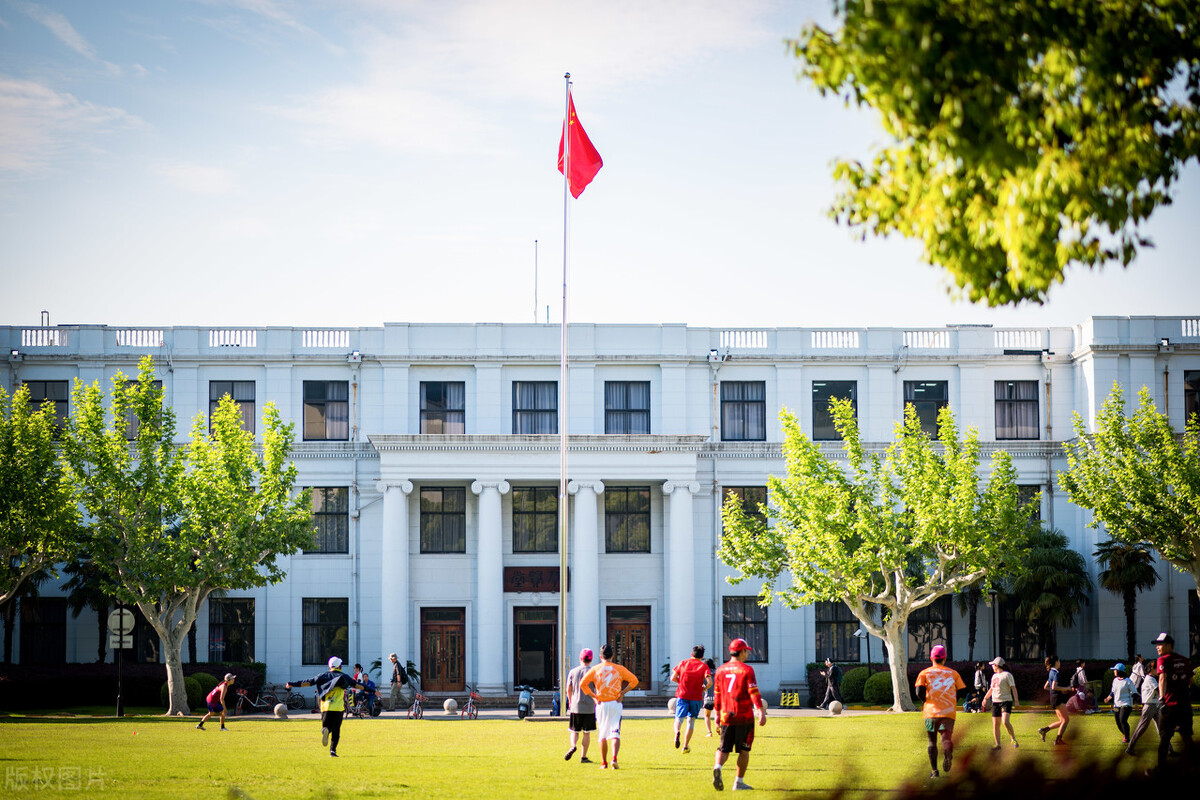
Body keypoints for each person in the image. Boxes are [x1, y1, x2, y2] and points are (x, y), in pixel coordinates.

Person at [712, 638, 766, 792]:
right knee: (744, 750)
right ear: (742, 651)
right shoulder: (747, 670)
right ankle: (738, 782)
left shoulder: (721, 670)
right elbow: (753, 692)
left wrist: (716, 714)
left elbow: (717, 694)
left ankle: (717, 766)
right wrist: (761, 711)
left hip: (725, 716)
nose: (747, 653)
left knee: (723, 748)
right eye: (746, 651)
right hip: (744, 716)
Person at [286, 656, 367, 757]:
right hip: (338, 708)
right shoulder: (343, 676)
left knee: (326, 727)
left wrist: (291, 684)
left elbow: (307, 682)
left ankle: (325, 730)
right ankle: (332, 751)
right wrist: (372, 690)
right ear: (340, 666)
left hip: (326, 707)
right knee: (336, 730)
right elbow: (357, 685)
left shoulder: (322, 676)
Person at [580, 643, 639, 770]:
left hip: (601, 703)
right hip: (615, 703)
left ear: (600, 656)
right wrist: (622, 693)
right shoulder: (619, 668)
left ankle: (603, 762)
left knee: (602, 734)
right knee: (615, 732)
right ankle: (614, 758)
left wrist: (593, 696)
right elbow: (634, 680)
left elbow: (583, 684)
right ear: (612, 655)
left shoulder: (595, 669)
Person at [914, 645, 966, 779]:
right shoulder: (953, 673)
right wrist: (953, 699)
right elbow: (962, 690)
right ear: (945, 658)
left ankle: (934, 771)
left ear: (931, 658)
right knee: (946, 739)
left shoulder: (924, 673)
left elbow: (918, 691)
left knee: (931, 741)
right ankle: (947, 752)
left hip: (931, 713)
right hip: (948, 712)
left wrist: (925, 700)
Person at [1151, 631, 1194, 772]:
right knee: (1187, 738)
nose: (1157, 647)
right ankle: (1194, 767)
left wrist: (1162, 699)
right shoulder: (1184, 660)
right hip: (1185, 706)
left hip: (1169, 706)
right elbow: (1191, 681)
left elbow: (1162, 678)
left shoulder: (1163, 660)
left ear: (1168, 645)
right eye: (1157, 645)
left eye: (1160, 644)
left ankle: (1161, 769)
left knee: (1164, 739)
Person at [671, 645, 712, 753]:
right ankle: (685, 746)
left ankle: (677, 732)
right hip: (696, 697)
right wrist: (704, 688)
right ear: (702, 656)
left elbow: (673, 677)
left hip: (682, 695)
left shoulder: (683, 663)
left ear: (691, 654)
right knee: (691, 721)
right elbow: (710, 682)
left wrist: (682, 683)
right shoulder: (703, 666)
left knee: (678, 719)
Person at [564, 648, 597, 764]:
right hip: (589, 706)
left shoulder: (573, 671)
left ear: (580, 658)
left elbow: (568, 688)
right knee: (587, 732)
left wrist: (570, 701)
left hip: (576, 705)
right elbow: (597, 688)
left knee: (574, 731)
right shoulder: (594, 672)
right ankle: (583, 756)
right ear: (591, 659)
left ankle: (573, 746)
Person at [1125, 666, 1167, 756]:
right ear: (1152, 669)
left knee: (1161, 728)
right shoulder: (1150, 679)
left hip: (1154, 705)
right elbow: (1158, 689)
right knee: (1141, 728)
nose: (1158, 671)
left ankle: (1169, 749)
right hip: (1149, 706)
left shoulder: (1151, 679)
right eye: (1156, 668)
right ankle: (1130, 747)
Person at [1038, 655, 1073, 744]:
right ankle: (1058, 740)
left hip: (1053, 698)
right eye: (1059, 661)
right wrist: (1066, 688)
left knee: (1062, 721)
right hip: (1057, 699)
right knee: (1066, 720)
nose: (1060, 663)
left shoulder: (1051, 672)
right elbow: (1054, 687)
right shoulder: (1056, 673)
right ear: (1056, 662)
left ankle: (1044, 730)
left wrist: (1060, 690)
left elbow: (1046, 687)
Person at [987, 657, 1019, 749]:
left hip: (1006, 701)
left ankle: (1013, 739)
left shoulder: (1007, 675)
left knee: (1005, 721)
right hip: (995, 702)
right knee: (996, 724)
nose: (992, 666)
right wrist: (985, 698)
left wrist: (1016, 701)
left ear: (996, 665)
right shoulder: (994, 676)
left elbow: (1013, 688)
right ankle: (998, 745)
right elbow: (991, 689)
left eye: (993, 665)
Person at [1103, 663, 1136, 744]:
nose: (1114, 671)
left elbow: (1134, 692)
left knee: (1122, 720)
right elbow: (1113, 692)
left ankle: (1127, 738)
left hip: (1126, 704)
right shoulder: (1115, 681)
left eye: (1115, 670)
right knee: (1118, 722)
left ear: (1119, 671)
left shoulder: (1128, 681)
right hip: (1116, 705)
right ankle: (1125, 735)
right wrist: (1108, 698)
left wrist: (1135, 703)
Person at [702, 658, 717, 737]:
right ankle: (718, 726)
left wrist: (704, 688)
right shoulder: (718, 673)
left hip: (708, 697)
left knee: (707, 715)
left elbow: (702, 685)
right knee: (717, 714)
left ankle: (709, 732)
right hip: (718, 697)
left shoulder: (705, 674)